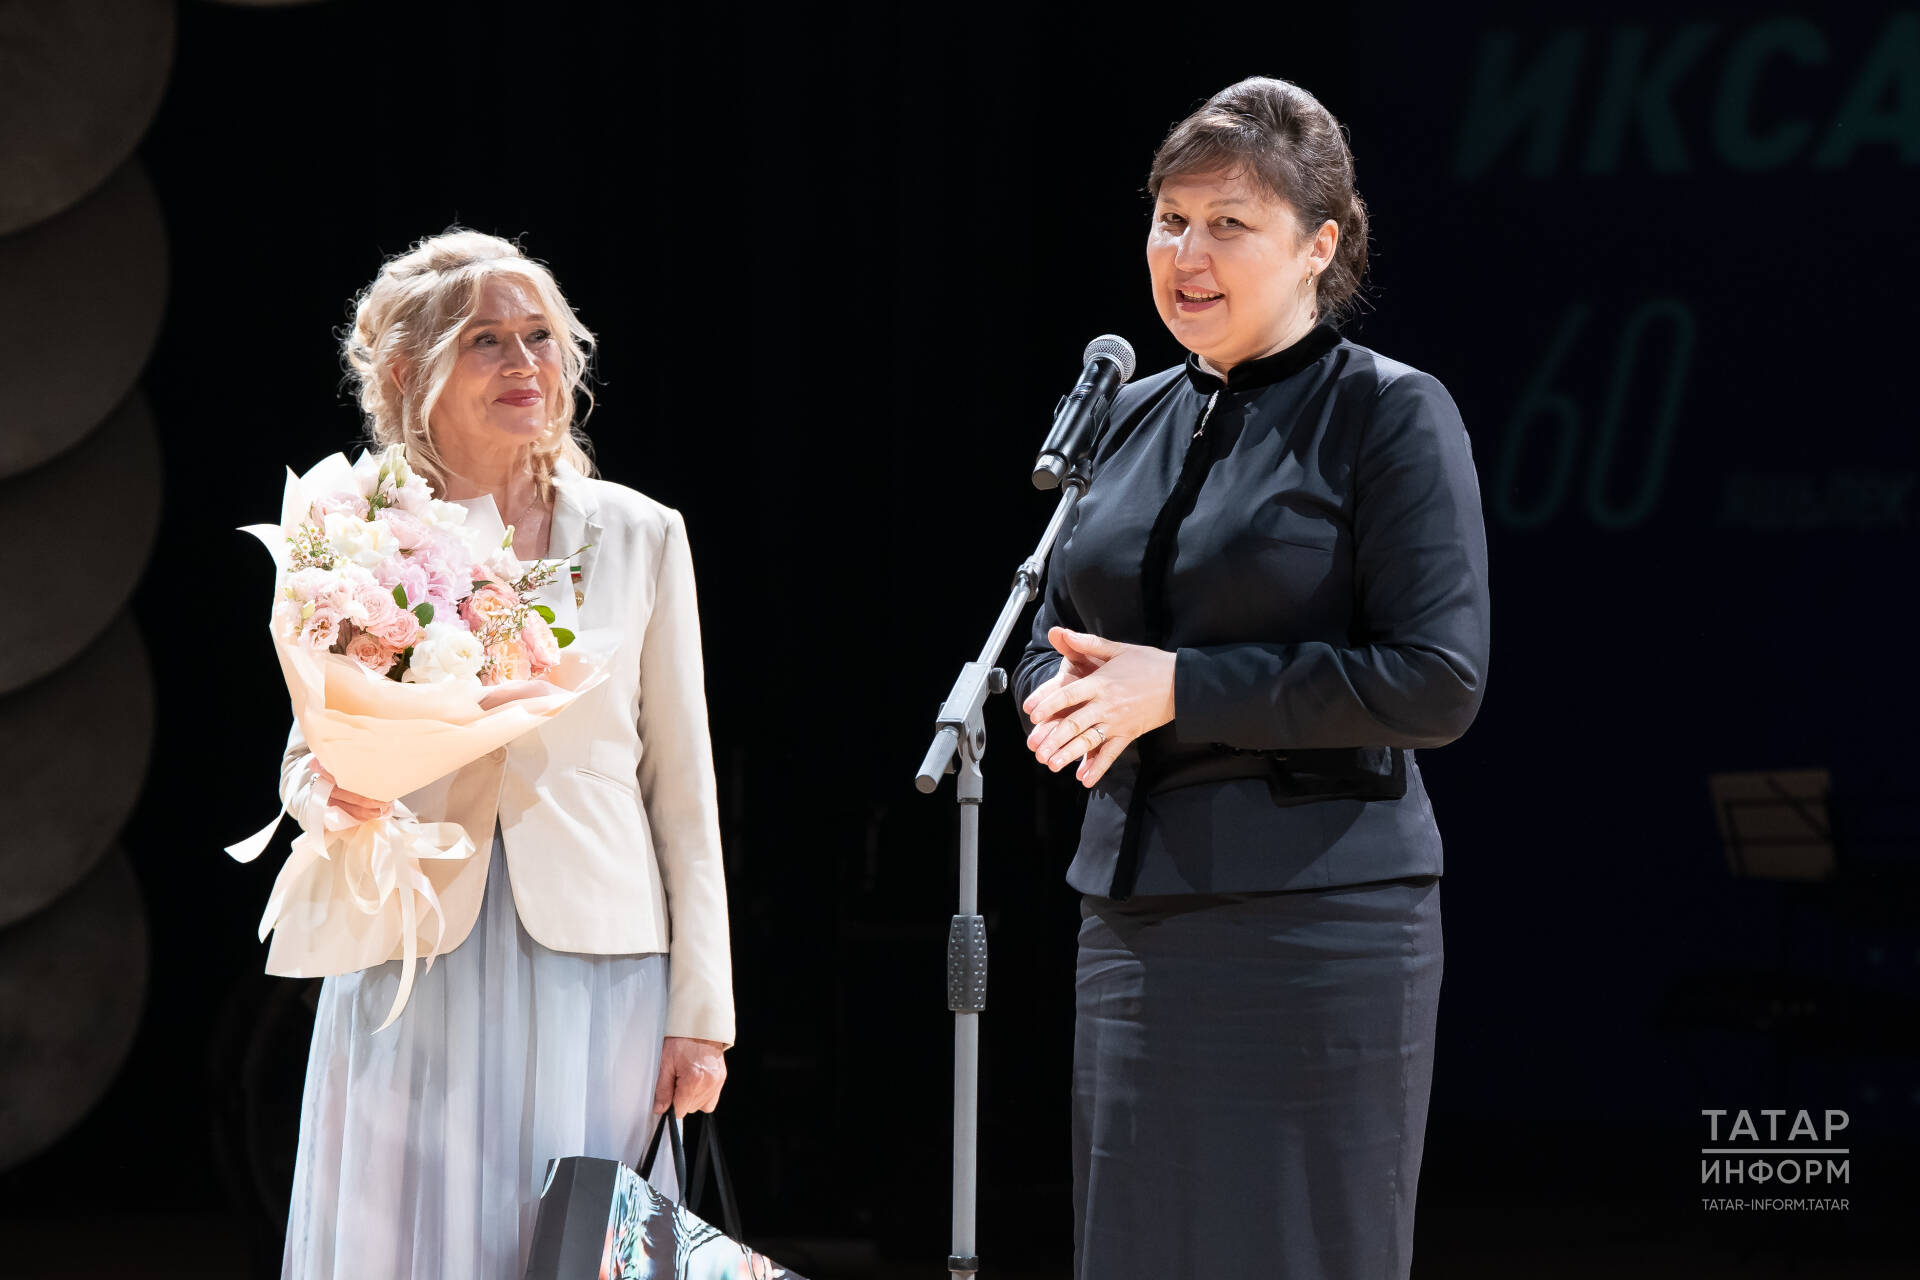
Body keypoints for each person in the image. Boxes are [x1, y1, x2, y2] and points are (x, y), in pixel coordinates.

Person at [1013, 78, 1491, 1279]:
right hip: (1136, 919)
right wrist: (1052, 694)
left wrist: (1183, 688)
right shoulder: (1126, 416)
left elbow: (1436, 678)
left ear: (1319, 244)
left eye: (1230, 223)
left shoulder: (1389, 413)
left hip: (1319, 922)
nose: (1188, 254)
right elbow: (1050, 627)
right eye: (1171, 220)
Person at [273, 230, 735, 1278]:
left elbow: (684, 791)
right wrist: (334, 796)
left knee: (567, 1246)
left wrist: (702, 1014)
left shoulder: (641, 534)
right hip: (413, 961)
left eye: (540, 336)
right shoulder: (352, 534)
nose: (526, 363)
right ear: (408, 373)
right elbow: (307, 755)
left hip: (598, 974)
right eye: (487, 339)